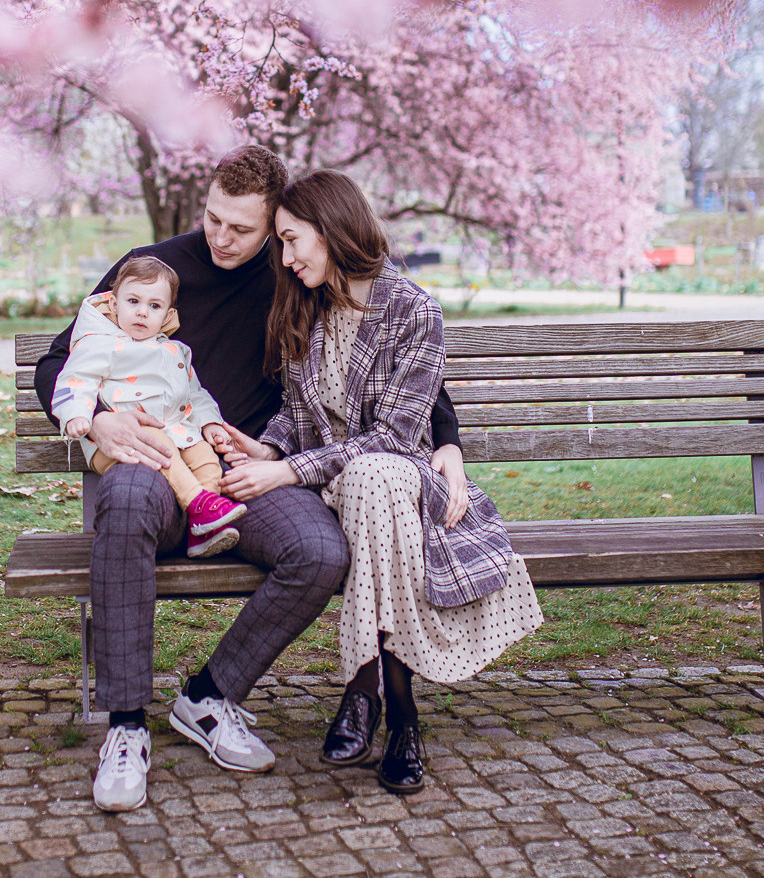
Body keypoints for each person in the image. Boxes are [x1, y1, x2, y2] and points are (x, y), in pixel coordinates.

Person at [32, 146, 469, 813]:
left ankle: (209, 697)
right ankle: (126, 725)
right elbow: (57, 361)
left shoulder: (292, 272)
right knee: (124, 497)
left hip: (250, 469)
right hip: (154, 460)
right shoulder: (150, 269)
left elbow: (403, 356)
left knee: (320, 551)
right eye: (212, 218)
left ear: (274, 227)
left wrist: (449, 441)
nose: (221, 237)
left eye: (242, 228)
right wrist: (97, 419)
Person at [218, 169, 543, 795]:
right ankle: (401, 718)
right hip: (336, 489)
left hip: (397, 481)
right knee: (369, 487)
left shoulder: (412, 310)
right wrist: (267, 446)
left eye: (291, 240)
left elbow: (395, 436)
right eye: (280, 243)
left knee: (375, 477)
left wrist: (286, 470)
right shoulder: (303, 304)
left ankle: (366, 691)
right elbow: (298, 412)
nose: (284, 258)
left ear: (330, 229)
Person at [53, 255, 249, 558]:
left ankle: (204, 525)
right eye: (133, 301)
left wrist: (210, 422)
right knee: (157, 443)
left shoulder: (175, 351)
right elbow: (75, 379)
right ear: (114, 304)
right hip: (120, 442)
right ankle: (199, 503)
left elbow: (194, 394)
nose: (142, 312)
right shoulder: (100, 344)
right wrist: (79, 415)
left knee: (207, 460)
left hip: (176, 432)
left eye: (154, 306)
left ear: (168, 315)